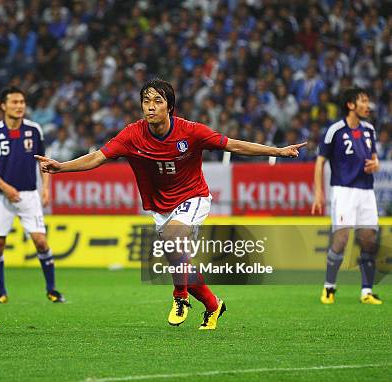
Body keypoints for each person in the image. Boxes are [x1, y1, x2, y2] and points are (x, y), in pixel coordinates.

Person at [36, 79, 304, 329]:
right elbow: (97, 157)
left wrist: (277, 151)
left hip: (193, 197)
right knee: (179, 260)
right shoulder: (132, 135)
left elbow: (233, 145)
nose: (150, 106)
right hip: (160, 207)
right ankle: (213, 305)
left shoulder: (192, 132)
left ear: (170, 106)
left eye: (158, 101)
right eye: (146, 100)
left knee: (173, 239)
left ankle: (179, 296)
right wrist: (61, 168)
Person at [0, 86, 64, 304]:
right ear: (3, 105)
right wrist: (4, 186)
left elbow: (43, 161)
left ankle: (52, 290)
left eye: (22, 102)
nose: (19, 106)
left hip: (28, 195)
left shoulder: (34, 129)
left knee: (41, 241)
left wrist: (45, 188)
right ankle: (0, 293)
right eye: (14, 102)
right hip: (1, 196)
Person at [312, 87, 382, 305]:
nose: (367, 105)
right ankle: (329, 287)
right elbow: (320, 160)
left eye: (368, 101)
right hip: (343, 190)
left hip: (366, 191)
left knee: (369, 240)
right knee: (341, 239)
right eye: (363, 100)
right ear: (351, 105)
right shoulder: (336, 130)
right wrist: (318, 192)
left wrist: (376, 164)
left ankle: (366, 291)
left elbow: (374, 157)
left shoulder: (370, 129)